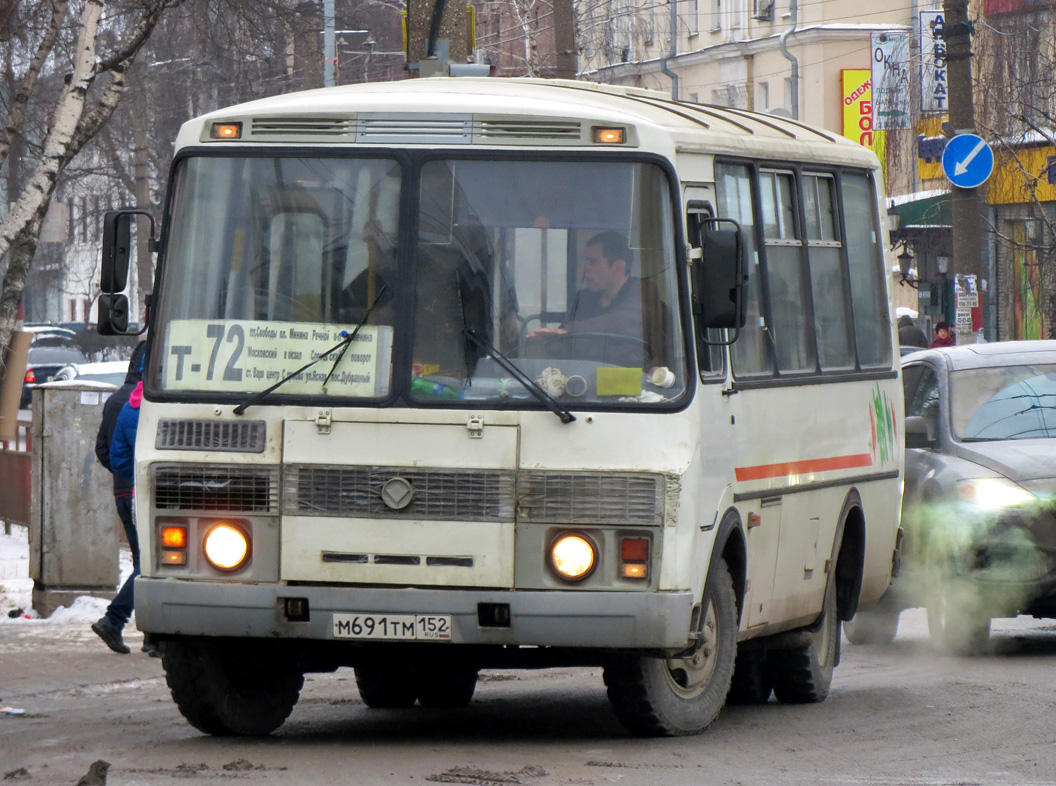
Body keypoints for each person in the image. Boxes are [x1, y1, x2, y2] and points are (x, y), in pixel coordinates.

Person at [91, 344, 155, 656]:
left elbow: (104, 450)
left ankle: (152, 637)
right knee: (151, 565)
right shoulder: (154, 400)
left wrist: (122, 475)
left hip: (123, 491)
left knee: (146, 562)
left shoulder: (118, 400)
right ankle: (115, 621)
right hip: (145, 492)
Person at [526, 231, 664, 366]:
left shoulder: (644, 292)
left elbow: (622, 320)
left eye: (592, 262)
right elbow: (561, 345)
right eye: (585, 261)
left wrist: (569, 332)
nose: (585, 269)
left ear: (618, 267)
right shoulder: (583, 299)